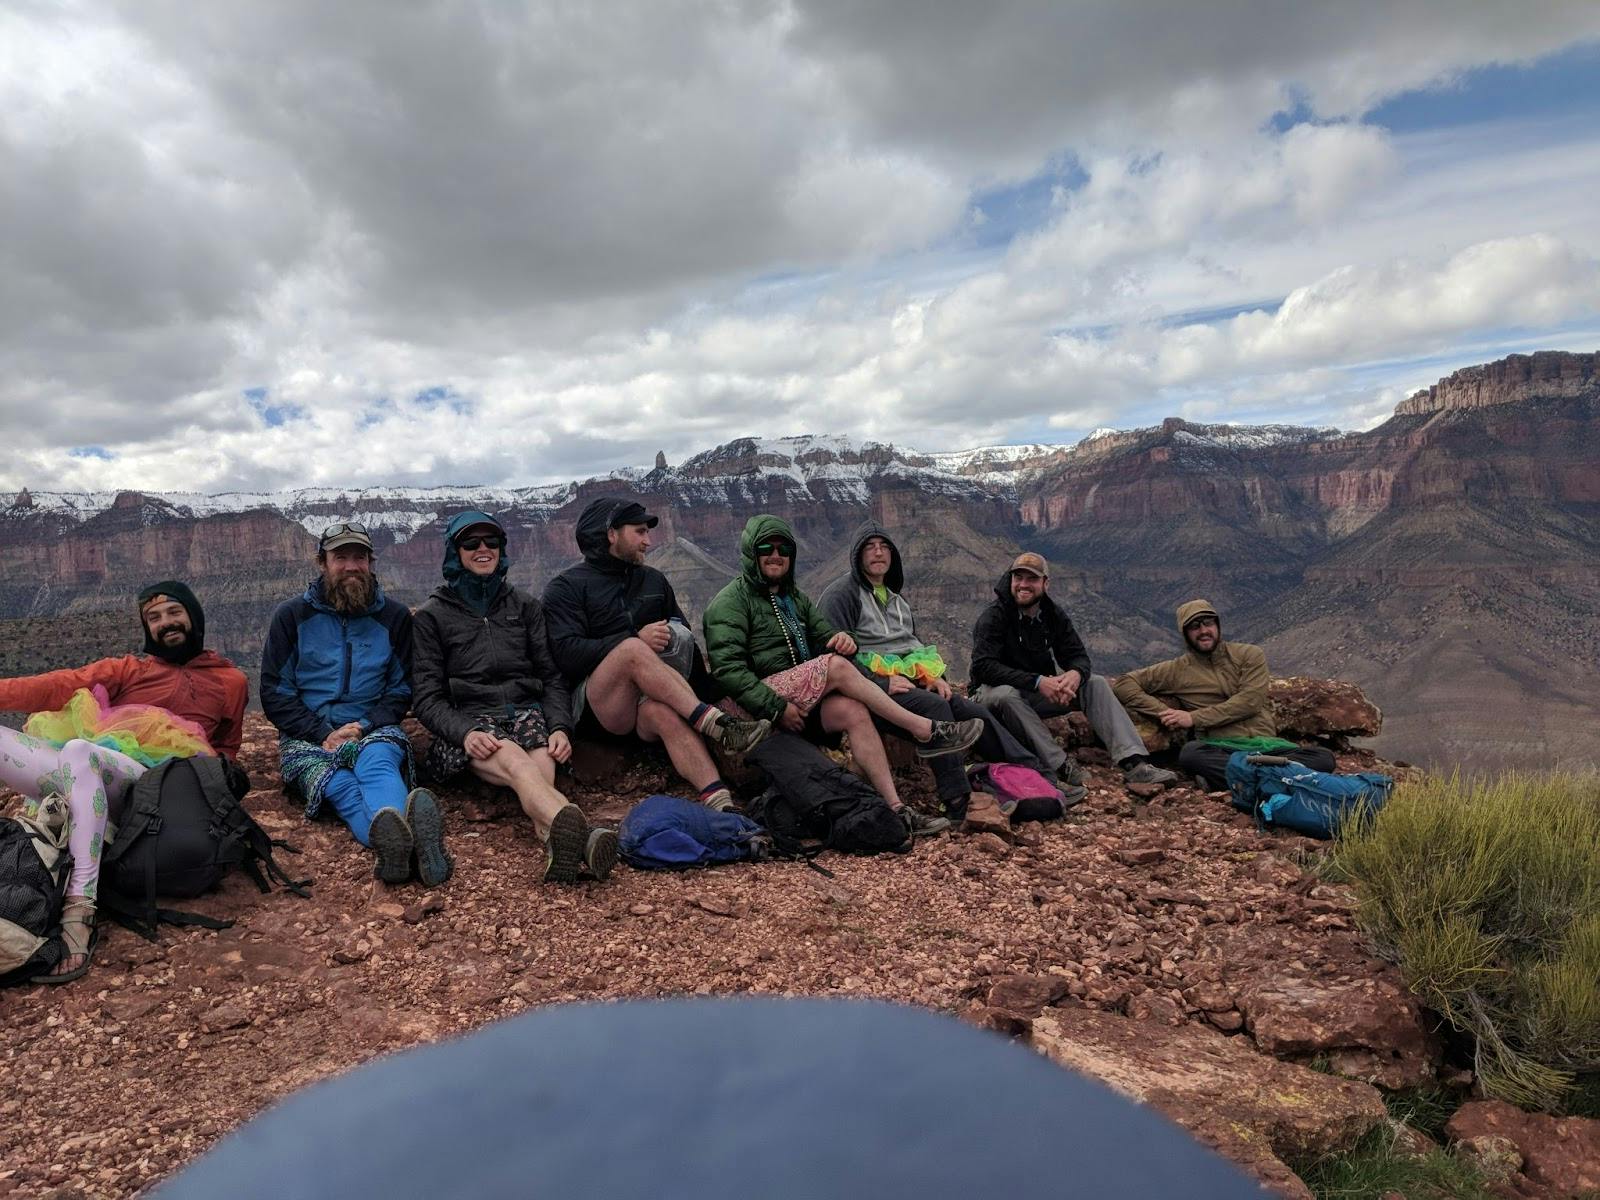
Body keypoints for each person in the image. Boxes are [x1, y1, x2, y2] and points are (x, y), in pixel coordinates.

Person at [0, 581, 247, 982]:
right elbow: (57, 684)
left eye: (174, 612)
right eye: (154, 617)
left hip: (156, 789)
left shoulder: (230, 681)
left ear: (193, 615)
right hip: (95, 774)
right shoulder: (130, 669)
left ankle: (79, 911)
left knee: (79, 752)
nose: (165, 623)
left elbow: (227, 750)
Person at [703, 515, 983, 838]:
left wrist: (842, 639)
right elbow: (728, 672)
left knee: (853, 710)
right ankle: (924, 730)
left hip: (797, 699)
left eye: (784, 549)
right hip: (751, 712)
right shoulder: (729, 603)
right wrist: (776, 707)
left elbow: (828, 637)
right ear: (751, 553)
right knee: (834, 666)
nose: (776, 555)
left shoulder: (794, 598)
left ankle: (896, 809)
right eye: (766, 547)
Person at [818, 521, 1080, 824]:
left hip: (910, 684)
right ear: (856, 554)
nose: (878, 553)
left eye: (884, 546)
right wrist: (880, 681)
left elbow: (912, 647)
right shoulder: (841, 595)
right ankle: (956, 801)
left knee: (970, 711)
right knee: (936, 707)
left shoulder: (896, 599)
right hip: (873, 692)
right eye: (869, 547)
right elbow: (832, 654)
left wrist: (936, 678)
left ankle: (1038, 775)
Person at [413, 511, 618, 884]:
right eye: (470, 543)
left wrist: (559, 726)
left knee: (541, 770)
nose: (482, 549)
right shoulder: (432, 616)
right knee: (519, 765)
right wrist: (464, 732)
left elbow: (551, 677)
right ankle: (586, 839)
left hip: (527, 715)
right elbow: (427, 698)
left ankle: (555, 842)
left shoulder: (524, 606)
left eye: (491, 542)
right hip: (471, 723)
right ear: (454, 551)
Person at [542, 497, 772, 813]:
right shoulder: (565, 588)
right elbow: (565, 654)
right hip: (599, 707)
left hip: (646, 701)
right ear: (611, 534)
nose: (648, 541)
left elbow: (686, 643)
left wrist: (711, 689)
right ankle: (717, 725)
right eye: (639, 532)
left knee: (663, 712)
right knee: (633, 650)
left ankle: (721, 803)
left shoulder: (654, 580)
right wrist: (632, 638)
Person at [261, 522, 450, 888]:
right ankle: (414, 848)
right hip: (308, 736)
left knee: (378, 763)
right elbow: (275, 692)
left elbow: (400, 689)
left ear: (371, 563)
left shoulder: (392, 618)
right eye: (340, 557)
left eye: (359, 557)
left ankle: (396, 850)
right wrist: (322, 732)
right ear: (322, 563)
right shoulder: (292, 616)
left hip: (372, 727)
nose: (351, 566)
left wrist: (364, 724)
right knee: (341, 787)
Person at [970, 553, 1178, 790]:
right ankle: (1060, 766)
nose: (1024, 585)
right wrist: (1038, 682)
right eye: (1018, 577)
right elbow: (983, 667)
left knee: (1095, 683)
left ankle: (1134, 762)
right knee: (1006, 694)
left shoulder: (1051, 614)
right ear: (1010, 579)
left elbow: (1078, 655)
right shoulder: (993, 617)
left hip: (1031, 691)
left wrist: (1075, 674)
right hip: (989, 695)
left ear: (1045, 584)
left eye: (1032, 579)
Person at [1112, 599, 1336, 790]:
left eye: (1208, 623)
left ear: (1217, 625)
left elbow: (1250, 701)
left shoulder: (1249, 655)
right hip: (1223, 746)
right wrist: (1165, 712)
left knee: (1324, 758)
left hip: (1268, 744)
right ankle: (1277, 778)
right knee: (1191, 755)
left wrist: (1194, 718)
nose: (1203, 631)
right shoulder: (1176, 669)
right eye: (1194, 627)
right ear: (1185, 634)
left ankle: (1237, 779)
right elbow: (1124, 684)